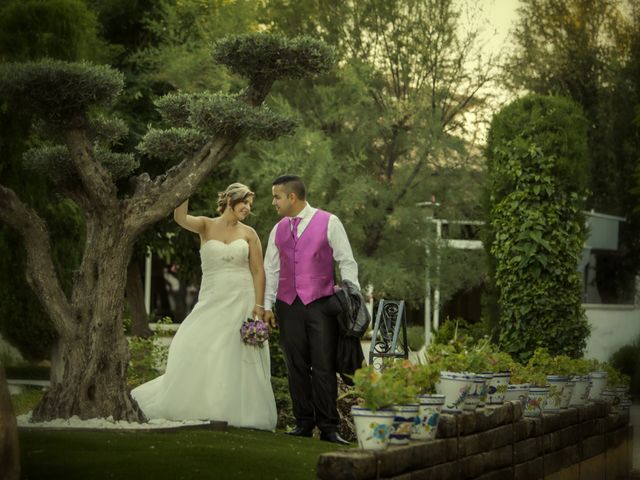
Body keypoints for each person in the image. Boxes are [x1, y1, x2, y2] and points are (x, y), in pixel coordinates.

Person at [131, 183, 277, 431]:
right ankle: (197, 402)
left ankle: (237, 410)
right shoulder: (205, 225)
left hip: (242, 298)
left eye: (250, 204)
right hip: (212, 297)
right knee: (192, 342)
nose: (248, 208)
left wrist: (259, 305)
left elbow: (257, 270)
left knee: (234, 352)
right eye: (244, 202)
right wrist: (186, 186)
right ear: (230, 199)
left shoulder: (250, 234)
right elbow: (179, 217)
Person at [263, 175, 360, 445]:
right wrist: (269, 304)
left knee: (323, 366)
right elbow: (271, 268)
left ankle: (329, 427)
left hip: (321, 304)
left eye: (276, 197)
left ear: (291, 197)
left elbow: (346, 261)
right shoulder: (278, 229)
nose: (274, 202)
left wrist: (353, 297)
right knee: (296, 366)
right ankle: (303, 423)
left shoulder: (329, 221)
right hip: (287, 305)